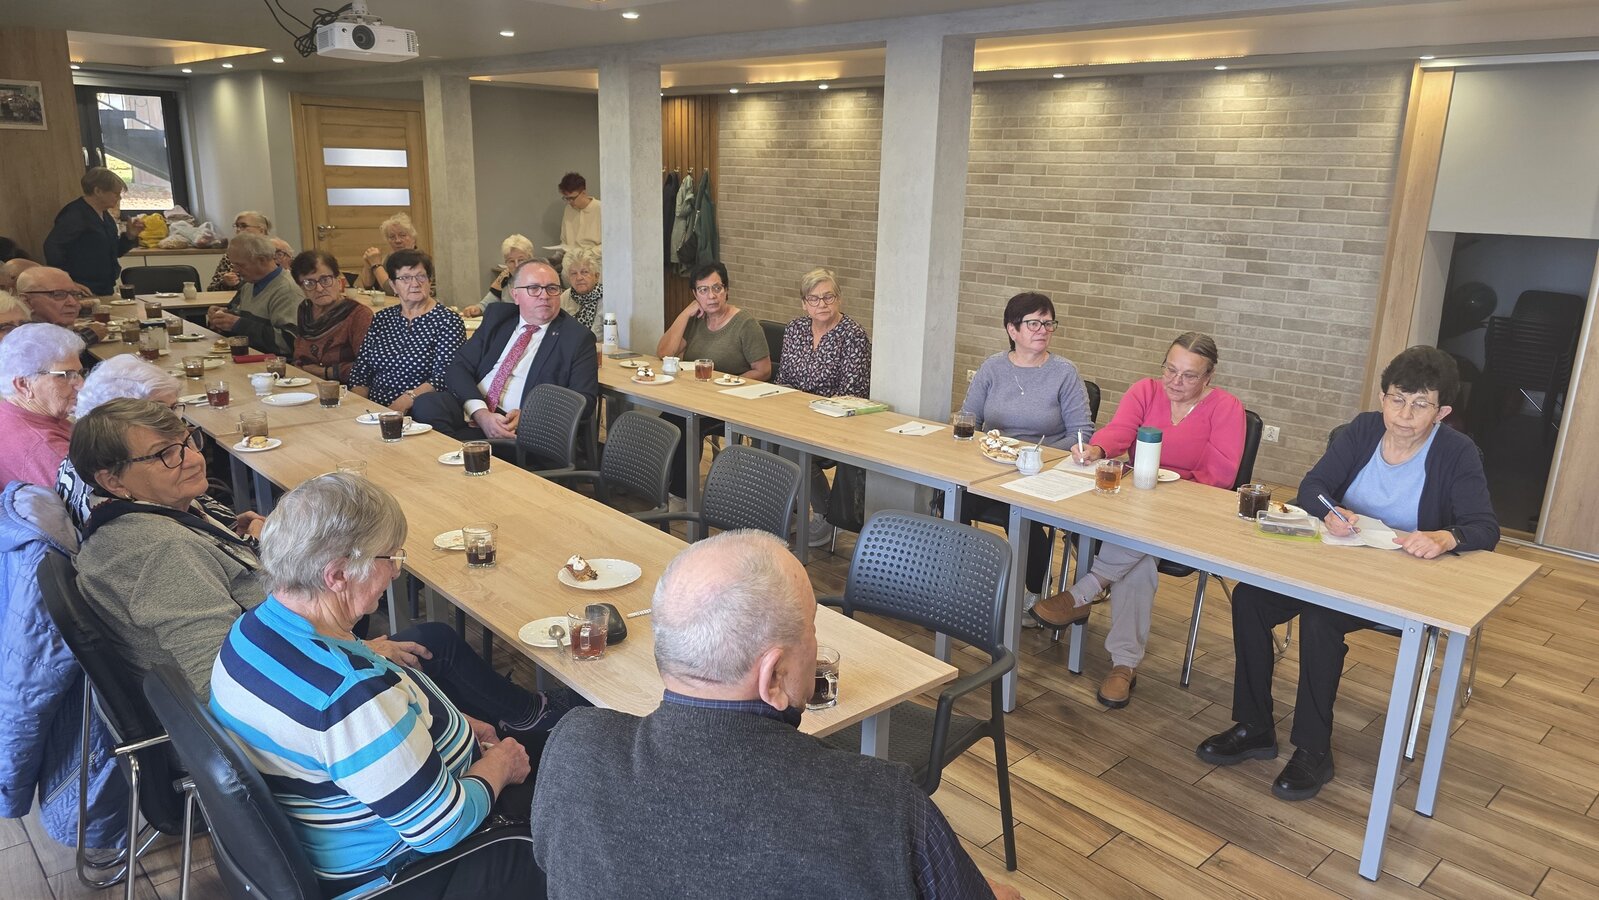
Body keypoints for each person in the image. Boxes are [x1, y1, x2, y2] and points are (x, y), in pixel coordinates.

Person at [531, 529, 1019, 900]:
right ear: (774, 675)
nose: (815, 645)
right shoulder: (886, 807)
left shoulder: (574, 749)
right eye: (811, 630)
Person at [210, 474, 558, 897]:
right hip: (407, 872)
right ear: (337, 574)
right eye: (389, 557)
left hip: (348, 831)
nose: (396, 570)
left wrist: (458, 723)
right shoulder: (349, 695)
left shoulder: (252, 630)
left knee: (564, 749)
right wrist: (501, 766)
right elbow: (441, 828)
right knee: (583, 794)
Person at [1197, 347, 1498, 802]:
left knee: (1320, 620)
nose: (1405, 415)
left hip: (1401, 581)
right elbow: (1313, 488)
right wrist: (1331, 511)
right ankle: (1255, 726)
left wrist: (1445, 537)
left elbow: (1484, 528)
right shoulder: (1363, 430)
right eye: (1398, 399)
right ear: (1383, 398)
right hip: (1335, 562)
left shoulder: (1456, 453)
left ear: (1442, 413)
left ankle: (1313, 750)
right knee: (1250, 600)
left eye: (1421, 405)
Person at [1029, 333, 1246, 708]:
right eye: (1170, 370)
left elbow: (1220, 475)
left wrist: (1169, 498)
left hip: (1189, 509)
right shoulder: (1146, 391)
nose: (1175, 382)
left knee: (1140, 538)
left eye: (1189, 376)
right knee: (1140, 555)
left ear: (1209, 376)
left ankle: (1084, 592)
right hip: (1137, 503)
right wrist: (1096, 448)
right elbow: (1120, 431)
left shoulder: (1227, 407)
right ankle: (1123, 665)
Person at [958, 292, 1095, 611]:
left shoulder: (1064, 372)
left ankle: (1034, 590)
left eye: (1048, 323)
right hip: (992, 466)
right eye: (1034, 323)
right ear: (1012, 329)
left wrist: (1034, 456)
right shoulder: (992, 367)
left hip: (1042, 469)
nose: (1043, 330)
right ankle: (961, 581)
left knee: (1021, 511)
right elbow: (968, 419)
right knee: (950, 498)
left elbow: (1081, 433)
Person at [412, 259, 598, 439]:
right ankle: (468, 452)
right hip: (476, 408)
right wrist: (480, 413)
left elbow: (585, 400)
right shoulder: (498, 318)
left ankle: (467, 452)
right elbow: (459, 366)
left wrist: (529, 415)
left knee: (449, 443)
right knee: (425, 405)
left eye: (552, 288)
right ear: (515, 295)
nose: (544, 295)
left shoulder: (577, 338)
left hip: (516, 426)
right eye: (534, 288)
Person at [775, 267, 872, 545]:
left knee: (791, 449)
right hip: (795, 417)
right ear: (804, 304)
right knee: (761, 438)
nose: (822, 304)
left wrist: (807, 412)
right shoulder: (795, 329)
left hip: (836, 423)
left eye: (829, 297)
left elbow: (852, 395)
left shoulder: (852, 335)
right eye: (814, 298)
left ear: (838, 299)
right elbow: (784, 380)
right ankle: (785, 509)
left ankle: (826, 515)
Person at [57, 354, 185, 534]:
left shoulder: (89, 453)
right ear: (118, 414)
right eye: (161, 410)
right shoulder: (120, 471)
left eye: (174, 408)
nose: (176, 422)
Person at [349, 249, 465, 413]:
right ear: (393, 285)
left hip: (419, 411)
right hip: (373, 412)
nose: (415, 284)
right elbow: (361, 371)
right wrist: (360, 409)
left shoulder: (447, 321)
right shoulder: (382, 318)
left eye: (421, 276)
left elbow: (444, 377)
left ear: (429, 281)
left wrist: (404, 402)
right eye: (405, 278)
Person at [0, 324, 84, 487]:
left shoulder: (8, 410)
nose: (81, 384)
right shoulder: (44, 447)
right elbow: (98, 499)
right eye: (65, 375)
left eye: (79, 373)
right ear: (23, 385)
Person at [42, 167, 143, 297]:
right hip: (81, 287)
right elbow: (52, 246)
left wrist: (130, 236)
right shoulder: (75, 215)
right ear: (98, 191)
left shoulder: (106, 216)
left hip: (104, 286)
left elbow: (113, 251)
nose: (119, 198)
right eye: (115, 193)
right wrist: (66, 280)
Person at [205, 233, 299, 357]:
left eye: (240, 265)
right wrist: (221, 318)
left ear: (262, 260)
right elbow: (241, 323)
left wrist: (237, 324)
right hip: (248, 358)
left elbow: (289, 343)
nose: (236, 270)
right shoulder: (249, 285)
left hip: (274, 364)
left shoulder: (287, 290)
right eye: (234, 265)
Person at [287, 250, 372, 382]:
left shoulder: (358, 314)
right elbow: (299, 355)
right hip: (306, 381)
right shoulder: (305, 309)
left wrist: (327, 372)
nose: (319, 288)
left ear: (338, 280)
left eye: (325, 280)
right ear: (301, 287)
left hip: (345, 386)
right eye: (309, 283)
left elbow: (369, 366)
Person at [15, 265, 107, 350]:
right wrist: (90, 334)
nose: (73, 302)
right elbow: (54, 352)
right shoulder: (21, 335)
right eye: (58, 294)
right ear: (26, 301)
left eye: (75, 294)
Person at [461, 234, 534, 318]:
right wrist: (477, 309)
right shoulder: (505, 277)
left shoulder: (539, 279)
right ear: (506, 262)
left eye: (521, 260)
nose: (516, 265)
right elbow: (487, 302)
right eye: (511, 261)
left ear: (530, 260)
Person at [356, 213, 420, 294]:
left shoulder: (418, 260)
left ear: (413, 238)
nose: (397, 240)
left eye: (402, 235)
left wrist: (376, 265)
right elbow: (370, 287)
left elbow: (393, 290)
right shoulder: (390, 258)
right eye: (392, 237)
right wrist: (368, 264)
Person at [208, 211, 270, 290]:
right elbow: (211, 289)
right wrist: (225, 283)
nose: (238, 230)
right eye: (237, 226)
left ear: (261, 230)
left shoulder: (274, 253)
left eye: (243, 226)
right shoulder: (231, 255)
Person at [554, 172, 600, 268]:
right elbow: (564, 242)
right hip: (571, 264)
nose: (569, 202)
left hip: (594, 264)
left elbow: (610, 245)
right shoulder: (568, 209)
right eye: (566, 198)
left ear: (583, 192)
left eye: (572, 198)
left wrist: (587, 254)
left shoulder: (601, 209)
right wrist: (555, 258)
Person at [556, 247, 603, 338]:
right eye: (574, 273)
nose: (579, 278)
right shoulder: (564, 297)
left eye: (584, 272)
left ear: (596, 276)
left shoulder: (607, 299)